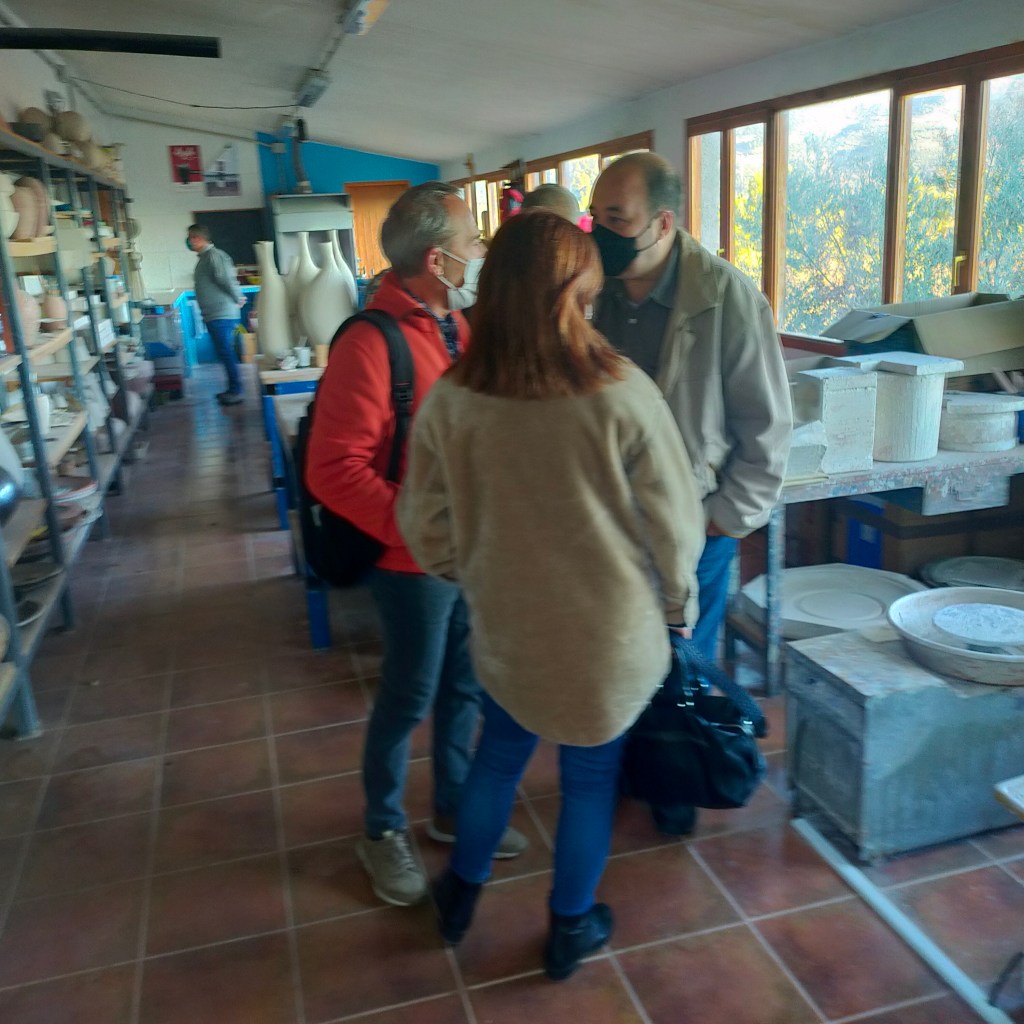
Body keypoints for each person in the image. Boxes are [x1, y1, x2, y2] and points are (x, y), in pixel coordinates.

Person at [397, 212, 704, 980]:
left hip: (509, 627)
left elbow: (422, 522)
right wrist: (678, 607)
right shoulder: (623, 393)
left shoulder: (454, 398)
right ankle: (569, 927)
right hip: (610, 637)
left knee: (498, 758)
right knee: (589, 780)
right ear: (574, 296)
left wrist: (470, 571)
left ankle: (459, 895)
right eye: (588, 297)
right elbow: (674, 525)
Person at [305, 182, 527, 909]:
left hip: (470, 553)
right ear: (437, 260)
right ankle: (380, 828)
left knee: (464, 685)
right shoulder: (371, 343)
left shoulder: (453, 325)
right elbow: (332, 470)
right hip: (413, 562)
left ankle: (453, 807)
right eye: (471, 245)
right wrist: (420, 529)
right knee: (409, 696)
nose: (479, 255)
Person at [590, 153, 792, 674]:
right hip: (610, 520)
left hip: (692, 522)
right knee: (617, 669)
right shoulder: (592, 293)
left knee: (682, 677)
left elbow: (766, 427)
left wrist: (723, 519)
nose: (601, 234)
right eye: (595, 218)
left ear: (663, 223)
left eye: (617, 219)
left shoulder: (726, 298)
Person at [186, 223, 245, 405]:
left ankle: (236, 391)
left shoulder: (214, 256)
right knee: (224, 352)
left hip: (221, 314)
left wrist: (238, 297)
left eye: (191, 237)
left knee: (226, 352)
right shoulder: (205, 258)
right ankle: (232, 389)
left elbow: (225, 278)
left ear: (198, 238)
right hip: (214, 314)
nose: (189, 241)